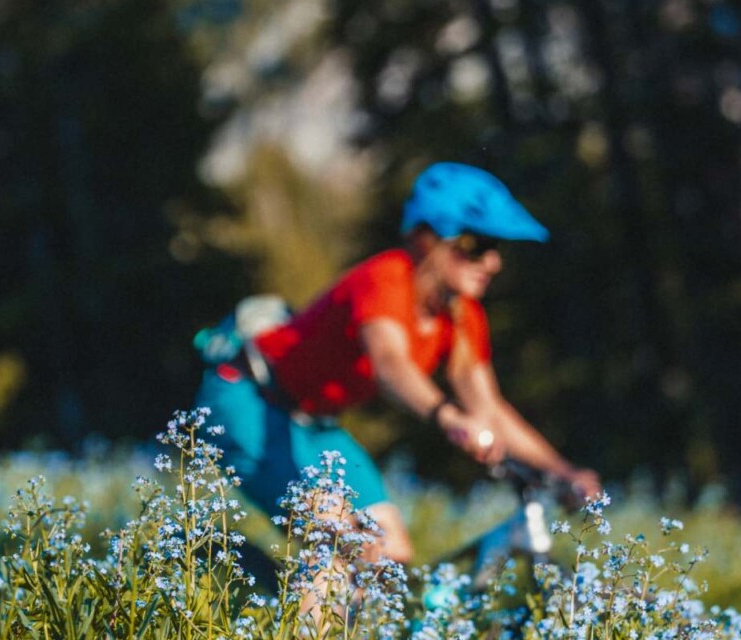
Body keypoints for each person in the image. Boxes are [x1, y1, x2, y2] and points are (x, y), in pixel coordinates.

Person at [194, 162, 601, 564]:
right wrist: (449, 418)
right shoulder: (387, 279)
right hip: (248, 398)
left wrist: (563, 472)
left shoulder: (461, 315)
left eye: (497, 249)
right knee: (345, 545)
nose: (492, 262)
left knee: (391, 555)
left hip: (314, 423)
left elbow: (490, 409)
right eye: (478, 245)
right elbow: (390, 364)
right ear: (429, 238)